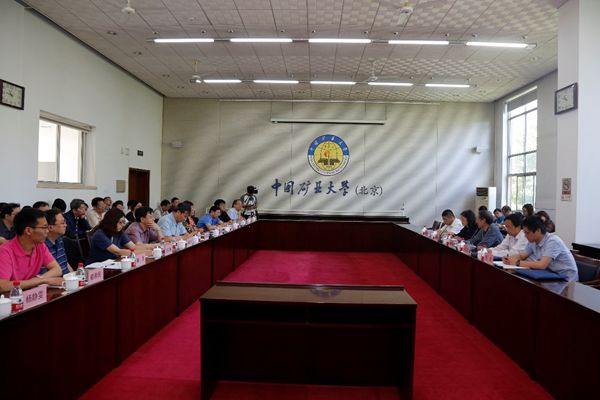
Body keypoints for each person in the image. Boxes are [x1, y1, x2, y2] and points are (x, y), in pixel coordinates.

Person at [0, 208, 64, 292]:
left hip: (30, 294)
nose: (47, 231)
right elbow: (3, 286)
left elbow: (57, 269)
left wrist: (38, 279)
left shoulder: (40, 246)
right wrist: (42, 280)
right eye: (44, 227)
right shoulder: (5, 251)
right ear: (28, 230)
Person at [504, 216, 578, 282]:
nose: (525, 236)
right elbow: (522, 256)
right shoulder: (533, 241)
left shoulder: (553, 241)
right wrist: (509, 259)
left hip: (567, 279)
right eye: (524, 233)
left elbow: (541, 265)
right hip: (551, 275)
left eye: (527, 233)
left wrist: (517, 262)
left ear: (538, 230)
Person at [41, 208, 72, 275]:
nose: (65, 225)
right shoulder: (42, 246)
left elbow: (65, 263)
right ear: (50, 227)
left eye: (65, 222)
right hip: (56, 280)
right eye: (62, 223)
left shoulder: (59, 240)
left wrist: (74, 275)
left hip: (67, 277)